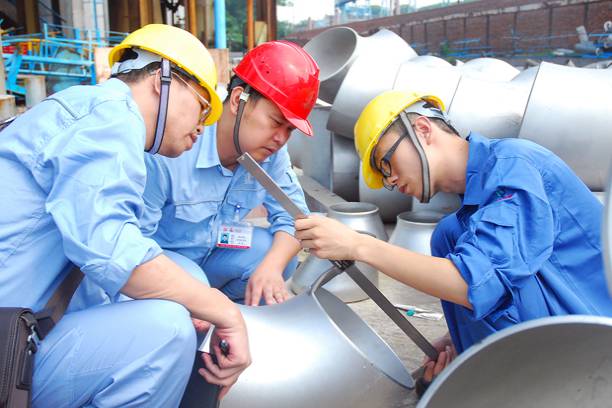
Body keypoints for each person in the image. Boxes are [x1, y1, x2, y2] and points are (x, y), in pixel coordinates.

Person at [0, 24, 250, 407]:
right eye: (201, 106)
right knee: (164, 333)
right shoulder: (109, 118)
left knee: (186, 284)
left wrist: (195, 297)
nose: (202, 126)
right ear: (160, 79)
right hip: (8, 343)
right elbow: (115, 254)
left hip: (20, 328)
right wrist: (225, 311)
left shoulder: (90, 112)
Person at [294, 90, 612, 389]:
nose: (389, 179)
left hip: (590, 341)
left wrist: (359, 245)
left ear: (422, 129)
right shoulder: (470, 210)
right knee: (448, 236)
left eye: (386, 162)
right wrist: (457, 337)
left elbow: (475, 284)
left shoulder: (513, 167)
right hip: (554, 337)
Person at [140, 41, 320, 306]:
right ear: (238, 100)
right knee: (193, 285)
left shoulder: (271, 154)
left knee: (276, 255)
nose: (281, 139)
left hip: (213, 255)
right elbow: (134, 244)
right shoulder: (176, 144)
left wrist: (270, 269)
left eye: (289, 131)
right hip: (161, 266)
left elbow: (295, 219)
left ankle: (220, 311)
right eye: (275, 122)